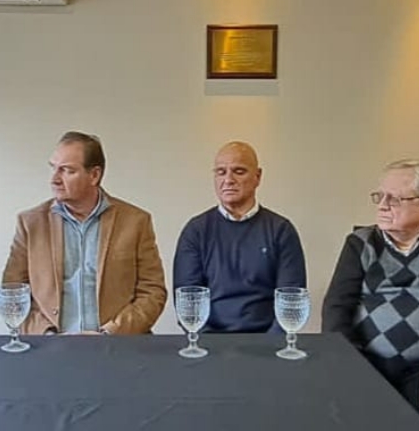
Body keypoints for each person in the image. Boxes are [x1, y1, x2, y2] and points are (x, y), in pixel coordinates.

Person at [2, 131, 167, 335]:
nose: (54, 179)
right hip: (50, 345)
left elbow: (152, 292)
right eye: (53, 168)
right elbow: (11, 294)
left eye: (67, 170)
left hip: (117, 344)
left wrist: (110, 333)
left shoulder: (135, 222)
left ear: (94, 175)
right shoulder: (30, 223)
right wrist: (47, 335)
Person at [173, 141, 306, 332]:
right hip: (209, 342)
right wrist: (210, 346)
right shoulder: (196, 230)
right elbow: (187, 302)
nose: (228, 179)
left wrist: (270, 346)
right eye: (221, 172)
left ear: (257, 177)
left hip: (267, 341)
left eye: (239, 171)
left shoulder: (281, 230)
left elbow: (290, 302)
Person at [323, 159, 419, 407]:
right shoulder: (361, 243)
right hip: (367, 363)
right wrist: (351, 360)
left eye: (395, 199)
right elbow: (336, 307)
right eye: (380, 196)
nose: (383, 205)